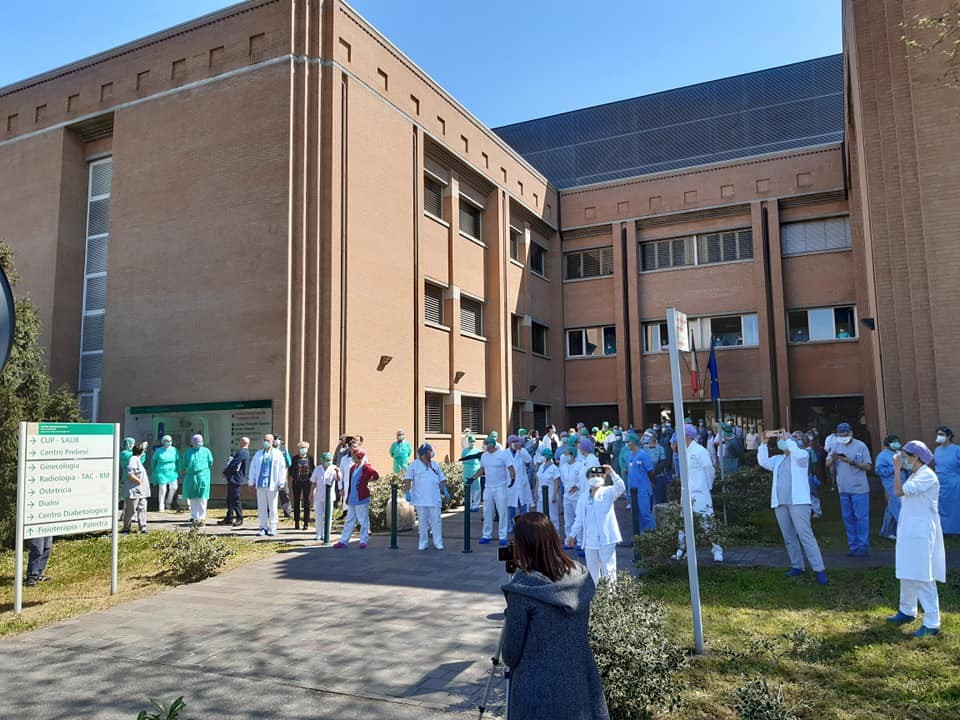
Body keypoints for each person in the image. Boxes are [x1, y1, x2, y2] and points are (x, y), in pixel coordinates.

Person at [501, 513, 610, 720]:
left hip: (535, 691)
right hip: (579, 682)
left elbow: (510, 655)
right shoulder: (580, 576)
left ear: (524, 546)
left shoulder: (523, 590)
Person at [887, 441, 946, 637]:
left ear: (916, 457)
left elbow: (898, 491)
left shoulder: (927, 476)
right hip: (909, 529)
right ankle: (907, 610)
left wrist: (896, 469)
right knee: (906, 571)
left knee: (922, 574)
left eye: (905, 455)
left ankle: (932, 622)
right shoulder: (914, 474)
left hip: (921, 531)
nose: (902, 458)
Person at [758, 431, 827, 584]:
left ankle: (819, 569)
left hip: (798, 502)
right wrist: (763, 443)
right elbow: (763, 462)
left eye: (794, 438)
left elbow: (798, 454)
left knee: (805, 535)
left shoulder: (802, 455)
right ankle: (797, 565)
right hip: (780, 502)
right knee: (788, 536)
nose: (784, 440)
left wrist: (788, 440)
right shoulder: (779, 459)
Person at [567, 465, 626, 585]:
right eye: (593, 475)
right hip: (590, 540)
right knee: (592, 571)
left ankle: (611, 595)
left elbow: (621, 487)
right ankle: (595, 594)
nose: (596, 477)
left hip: (607, 538)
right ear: (588, 478)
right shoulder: (583, 497)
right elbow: (579, 519)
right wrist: (572, 535)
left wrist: (612, 473)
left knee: (609, 570)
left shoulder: (608, 492)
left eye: (599, 475)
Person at [677, 424, 723, 562]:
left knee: (707, 521)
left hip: (700, 492)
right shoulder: (683, 451)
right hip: (686, 492)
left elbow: (709, 470)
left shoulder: (700, 451)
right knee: (682, 522)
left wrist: (707, 486)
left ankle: (717, 550)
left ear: (687, 436)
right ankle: (682, 549)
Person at [825, 422, 873, 556]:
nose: (843, 437)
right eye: (841, 435)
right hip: (843, 489)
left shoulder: (861, 446)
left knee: (861, 518)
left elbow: (868, 466)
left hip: (859, 489)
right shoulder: (835, 445)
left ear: (851, 433)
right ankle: (853, 546)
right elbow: (827, 463)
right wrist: (833, 459)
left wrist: (852, 462)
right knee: (848, 518)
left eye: (845, 435)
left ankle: (863, 546)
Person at [404, 443, 447, 551]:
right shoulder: (414, 465)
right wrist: (407, 491)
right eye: (429, 450)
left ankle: (438, 543)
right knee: (422, 522)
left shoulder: (435, 465)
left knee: (436, 521)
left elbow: (442, 479)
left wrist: (444, 489)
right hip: (420, 499)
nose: (431, 452)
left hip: (434, 498)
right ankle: (423, 543)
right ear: (424, 453)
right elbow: (408, 479)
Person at [334, 448, 380, 548]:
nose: (353, 458)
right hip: (352, 498)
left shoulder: (366, 467)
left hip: (361, 498)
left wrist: (369, 480)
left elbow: (376, 475)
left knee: (363, 520)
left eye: (354, 456)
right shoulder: (352, 468)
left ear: (359, 457)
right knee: (349, 520)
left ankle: (363, 540)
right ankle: (343, 541)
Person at [476, 437, 516, 546]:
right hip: (488, 488)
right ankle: (486, 535)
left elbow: (511, 468)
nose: (484, 445)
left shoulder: (503, 455)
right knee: (487, 512)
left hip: (500, 487)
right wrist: (473, 478)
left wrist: (513, 479)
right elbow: (482, 469)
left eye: (486, 443)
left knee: (502, 512)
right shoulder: (484, 456)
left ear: (492, 444)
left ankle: (502, 536)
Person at [248, 433, 287, 537]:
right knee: (262, 507)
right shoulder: (258, 454)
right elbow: (253, 468)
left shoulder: (278, 454)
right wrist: (251, 481)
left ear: (272, 442)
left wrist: (281, 482)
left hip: (272, 484)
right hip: (261, 484)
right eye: (264, 440)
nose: (265, 442)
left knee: (273, 507)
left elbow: (282, 469)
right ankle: (262, 526)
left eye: (268, 441)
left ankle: (273, 527)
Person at [624, 432, 656, 532]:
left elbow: (650, 471)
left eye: (628, 441)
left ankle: (653, 534)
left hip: (642, 490)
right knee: (636, 515)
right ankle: (641, 536)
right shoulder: (630, 455)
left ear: (633, 442)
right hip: (632, 490)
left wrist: (651, 483)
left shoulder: (643, 455)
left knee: (645, 514)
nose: (627, 444)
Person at [875, 434, 904, 540]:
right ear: (888, 444)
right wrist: (895, 468)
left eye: (897, 441)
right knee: (898, 505)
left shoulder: (900, 454)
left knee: (892, 506)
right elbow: (879, 471)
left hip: (902, 482)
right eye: (893, 442)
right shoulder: (882, 456)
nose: (896, 444)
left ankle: (887, 531)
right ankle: (902, 529)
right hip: (891, 483)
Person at [181, 434, 214, 525]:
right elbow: (184, 463)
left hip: (203, 476)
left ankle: (202, 517)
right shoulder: (188, 452)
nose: (197, 444)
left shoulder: (206, 451)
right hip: (191, 476)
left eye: (199, 442)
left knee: (202, 497)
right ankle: (194, 516)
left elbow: (210, 462)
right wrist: (183, 470)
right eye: (196, 442)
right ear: (192, 442)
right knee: (193, 497)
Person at [933, 426, 960, 534]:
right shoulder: (937, 450)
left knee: (955, 506)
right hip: (940, 482)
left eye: (941, 434)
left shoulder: (957, 449)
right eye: (938, 434)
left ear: (949, 436)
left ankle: (956, 530)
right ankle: (944, 530)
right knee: (942, 506)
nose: (938, 436)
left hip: (954, 482)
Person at [505, 434, 534, 532]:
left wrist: (520, 450)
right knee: (510, 507)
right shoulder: (504, 453)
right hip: (510, 484)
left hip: (522, 484)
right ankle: (511, 525)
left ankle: (523, 526)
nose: (515, 443)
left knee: (523, 507)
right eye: (513, 442)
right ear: (509, 443)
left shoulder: (522, 451)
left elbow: (529, 460)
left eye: (516, 441)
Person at [121, 442, 151, 534]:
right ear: (141, 451)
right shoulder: (133, 459)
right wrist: (139, 481)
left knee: (142, 509)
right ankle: (126, 528)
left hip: (141, 491)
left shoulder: (137, 460)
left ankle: (143, 528)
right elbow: (130, 474)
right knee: (130, 510)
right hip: (134, 490)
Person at [310, 451, 338, 541]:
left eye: (330, 460)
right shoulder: (317, 469)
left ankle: (326, 534)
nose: (328, 461)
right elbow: (313, 482)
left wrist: (338, 472)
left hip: (329, 496)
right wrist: (311, 493)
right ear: (322, 460)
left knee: (328, 516)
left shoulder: (334, 468)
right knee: (319, 516)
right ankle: (319, 534)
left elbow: (338, 478)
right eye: (327, 460)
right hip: (319, 496)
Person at [289, 441, 316, 530]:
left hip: (307, 482)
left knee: (306, 501)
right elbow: (291, 470)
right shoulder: (295, 458)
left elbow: (313, 469)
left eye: (305, 448)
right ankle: (296, 521)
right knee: (296, 501)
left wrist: (310, 478)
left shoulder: (310, 458)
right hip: (297, 482)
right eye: (301, 447)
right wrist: (295, 477)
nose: (303, 449)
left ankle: (306, 522)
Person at [150, 435, 180, 512]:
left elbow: (178, 460)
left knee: (174, 487)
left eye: (170, 441)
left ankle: (168, 502)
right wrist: (154, 470)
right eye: (167, 441)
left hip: (172, 472)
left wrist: (179, 469)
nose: (169, 442)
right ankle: (161, 506)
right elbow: (153, 460)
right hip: (161, 472)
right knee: (163, 489)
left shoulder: (174, 450)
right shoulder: (158, 450)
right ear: (163, 442)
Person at [536, 447, 562, 532]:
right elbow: (537, 480)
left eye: (543, 455)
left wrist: (554, 495)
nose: (541, 457)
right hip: (540, 494)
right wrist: (535, 492)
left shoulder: (554, 468)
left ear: (547, 456)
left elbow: (556, 482)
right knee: (540, 516)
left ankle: (555, 533)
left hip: (551, 495)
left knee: (553, 516)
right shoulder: (541, 467)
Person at [274, 436, 294, 518]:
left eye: (277, 439)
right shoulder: (269, 450)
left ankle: (287, 512)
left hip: (282, 476)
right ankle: (269, 511)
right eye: (275, 439)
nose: (276, 441)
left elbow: (289, 462)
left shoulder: (283, 449)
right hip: (272, 477)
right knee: (270, 495)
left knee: (284, 494)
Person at [461, 435, 482, 512]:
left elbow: (481, 462)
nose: (472, 442)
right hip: (467, 471)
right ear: (468, 441)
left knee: (477, 488)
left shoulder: (478, 451)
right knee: (468, 488)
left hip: (476, 470)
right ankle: (468, 506)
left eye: (473, 441)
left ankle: (475, 505)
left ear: (475, 442)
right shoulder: (464, 451)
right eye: (470, 441)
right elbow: (463, 461)